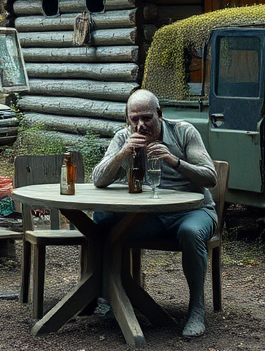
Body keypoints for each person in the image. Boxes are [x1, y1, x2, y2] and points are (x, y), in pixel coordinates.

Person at [92, 89, 218, 337]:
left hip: (192, 211)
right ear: (127, 119)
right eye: (134, 119)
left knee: (191, 232)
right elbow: (98, 179)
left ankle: (196, 309)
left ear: (159, 114)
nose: (140, 125)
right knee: (104, 218)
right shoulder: (123, 138)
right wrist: (122, 154)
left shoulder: (183, 132)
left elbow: (210, 177)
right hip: (148, 216)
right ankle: (113, 297)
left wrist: (173, 161)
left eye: (147, 118)